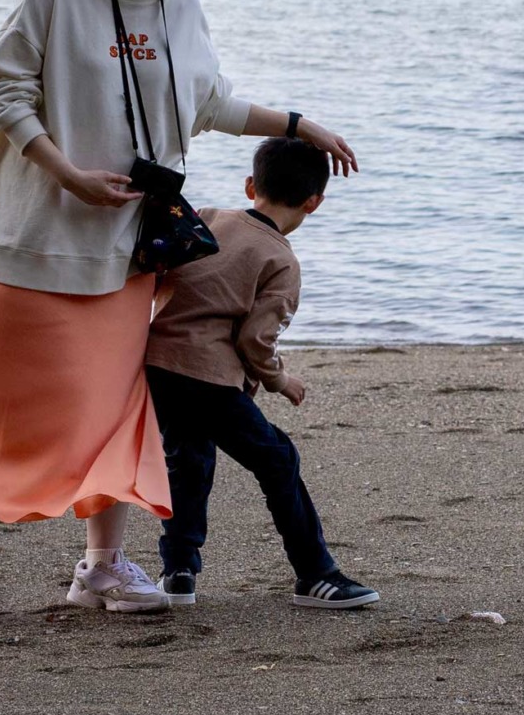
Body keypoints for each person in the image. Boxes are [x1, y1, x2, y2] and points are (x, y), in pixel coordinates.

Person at [0, 0, 356, 621]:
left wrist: (298, 124)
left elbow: (210, 101)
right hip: (31, 238)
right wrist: (66, 173)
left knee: (116, 409)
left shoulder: (181, 10)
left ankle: (101, 567)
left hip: (130, 251)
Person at [143, 136, 379, 610]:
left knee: (187, 461)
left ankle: (179, 570)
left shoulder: (208, 217)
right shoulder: (281, 260)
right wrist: (279, 379)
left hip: (156, 366)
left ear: (251, 184)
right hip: (208, 378)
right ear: (315, 202)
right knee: (278, 461)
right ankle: (316, 574)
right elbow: (256, 340)